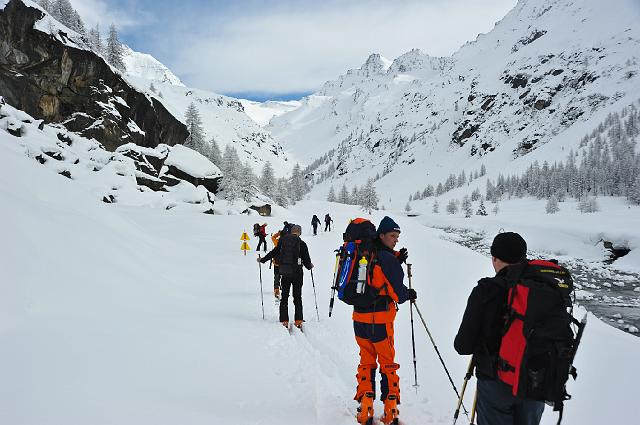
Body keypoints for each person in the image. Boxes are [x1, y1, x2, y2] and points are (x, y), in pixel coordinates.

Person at [454, 232, 545, 425]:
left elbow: (463, 345)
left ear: (494, 258)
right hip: (536, 383)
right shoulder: (543, 289)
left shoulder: (486, 291)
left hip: (496, 383)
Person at [353, 216, 415, 425]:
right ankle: (390, 410)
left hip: (359, 319)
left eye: (397, 236)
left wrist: (395, 257)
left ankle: (366, 407)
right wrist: (410, 293)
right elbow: (397, 293)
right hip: (381, 322)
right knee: (388, 364)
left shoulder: (368, 254)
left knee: (366, 361)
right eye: (392, 236)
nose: (395, 240)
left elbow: (377, 275)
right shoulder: (387, 259)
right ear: (381, 235)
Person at [258, 225, 313, 328]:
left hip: (285, 272)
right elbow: (307, 262)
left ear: (291, 232)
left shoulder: (283, 241)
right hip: (298, 274)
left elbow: (274, 252)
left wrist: (262, 260)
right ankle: (298, 320)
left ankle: (284, 320)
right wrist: (310, 266)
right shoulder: (302, 244)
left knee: (284, 297)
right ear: (299, 233)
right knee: (297, 297)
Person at [270, 231, 282, 298]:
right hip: (285, 264)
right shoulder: (287, 242)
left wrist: (278, 233)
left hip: (276, 263)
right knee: (284, 276)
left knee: (277, 277)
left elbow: (273, 237)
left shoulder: (276, 242)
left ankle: (276, 290)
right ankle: (283, 288)